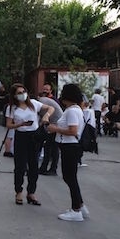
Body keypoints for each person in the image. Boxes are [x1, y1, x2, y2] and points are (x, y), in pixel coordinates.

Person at [6, 83, 54, 206]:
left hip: (34, 135)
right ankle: (18, 191)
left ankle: (31, 192)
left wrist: (46, 116)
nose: (22, 94)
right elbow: (9, 124)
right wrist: (20, 124)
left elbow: (50, 108)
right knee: (20, 166)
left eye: (23, 91)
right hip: (21, 135)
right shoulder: (12, 108)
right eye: (19, 93)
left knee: (33, 165)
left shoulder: (33, 103)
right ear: (14, 95)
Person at [47, 83, 90, 222]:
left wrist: (55, 129)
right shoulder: (76, 109)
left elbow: (73, 131)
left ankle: (76, 209)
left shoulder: (71, 111)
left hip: (70, 146)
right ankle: (80, 205)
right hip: (71, 146)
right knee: (71, 177)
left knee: (69, 177)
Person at [37, 83, 63, 175]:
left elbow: (40, 117)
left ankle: (51, 169)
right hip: (55, 124)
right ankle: (47, 168)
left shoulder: (41, 102)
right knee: (50, 147)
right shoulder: (44, 100)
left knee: (51, 147)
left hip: (55, 125)